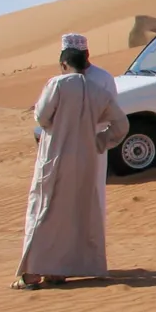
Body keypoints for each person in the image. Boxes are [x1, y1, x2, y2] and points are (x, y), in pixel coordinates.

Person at [12, 47, 129, 290]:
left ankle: (32, 273)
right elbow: (121, 125)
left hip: (55, 159)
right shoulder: (98, 91)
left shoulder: (57, 84)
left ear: (64, 64)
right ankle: (59, 271)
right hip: (86, 162)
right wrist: (99, 141)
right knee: (75, 215)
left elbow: (42, 117)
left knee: (43, 211)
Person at [60, 33, 118, 229]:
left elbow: (113, 113)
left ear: (87, 54)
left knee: (94, 190)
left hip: (94, 142)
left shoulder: (103, 78)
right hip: (68, 145)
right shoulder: (62, 81)